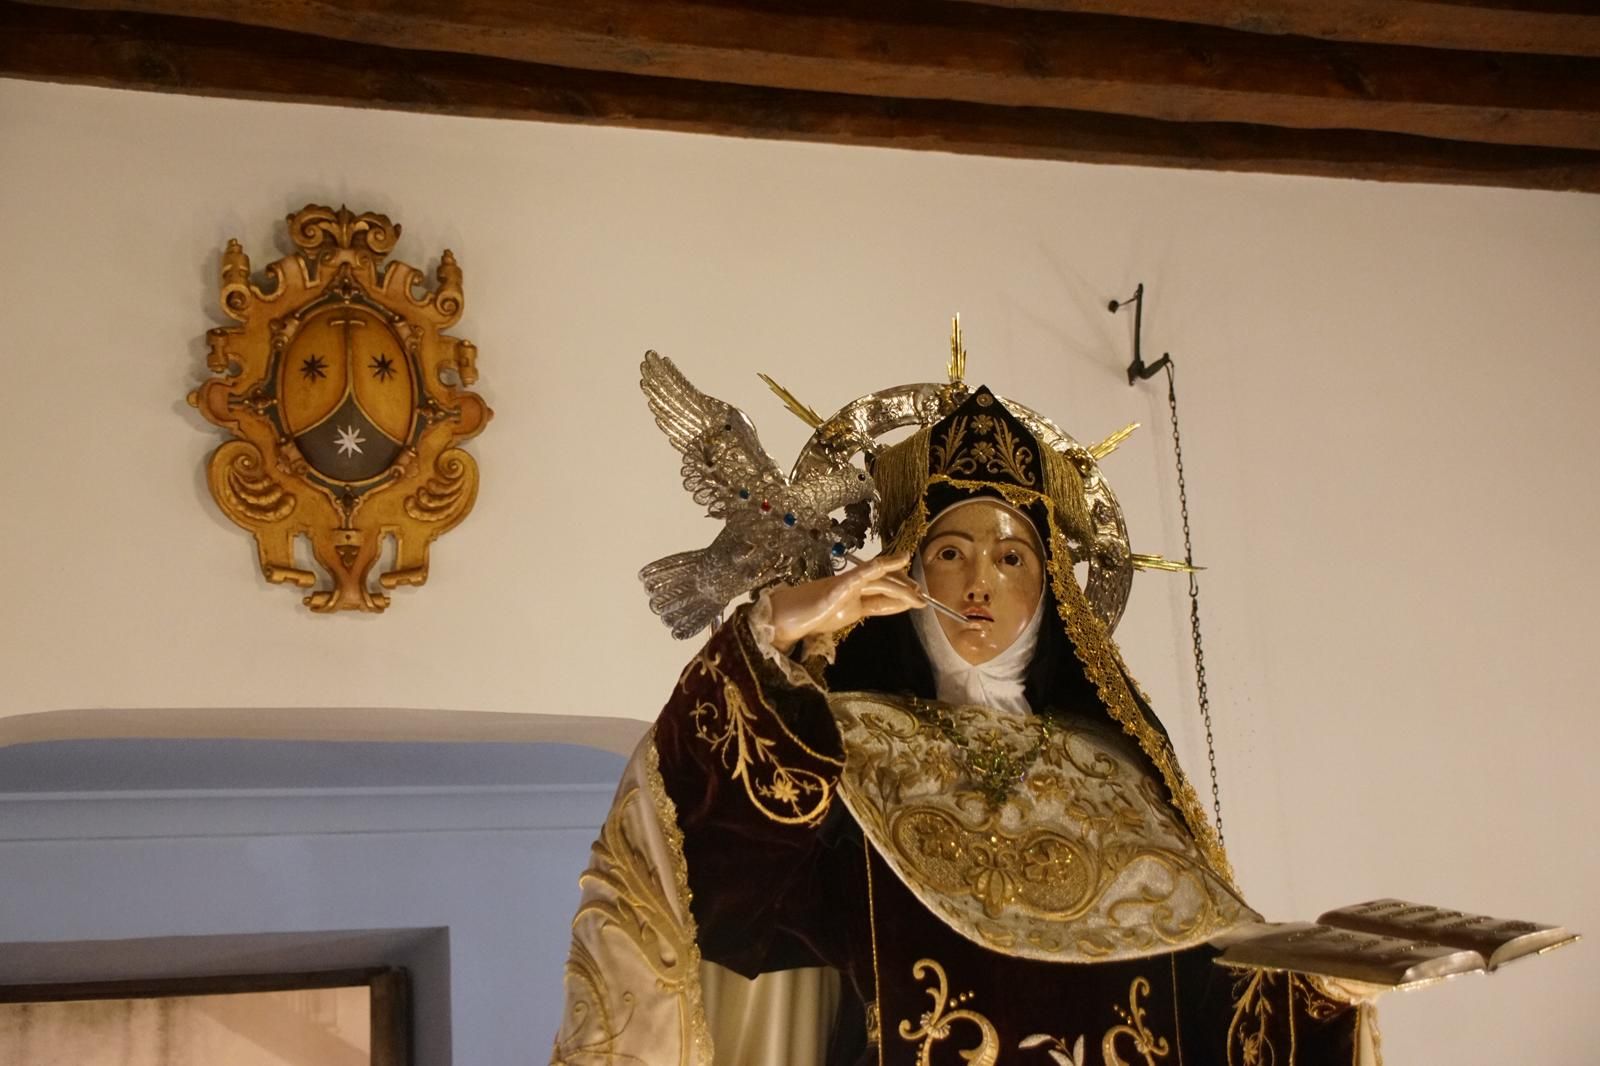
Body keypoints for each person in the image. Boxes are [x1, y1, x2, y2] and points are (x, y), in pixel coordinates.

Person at [552, 386, 1371, 1066]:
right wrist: (775, 629)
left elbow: (1215, 999)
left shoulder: (1120, 776)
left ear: (1055, 595)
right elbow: (710, 875)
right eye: (950, 551)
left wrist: (1324, 991)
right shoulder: (846, 750)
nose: (981, 578)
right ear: (906, 567)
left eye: (1012, 557)